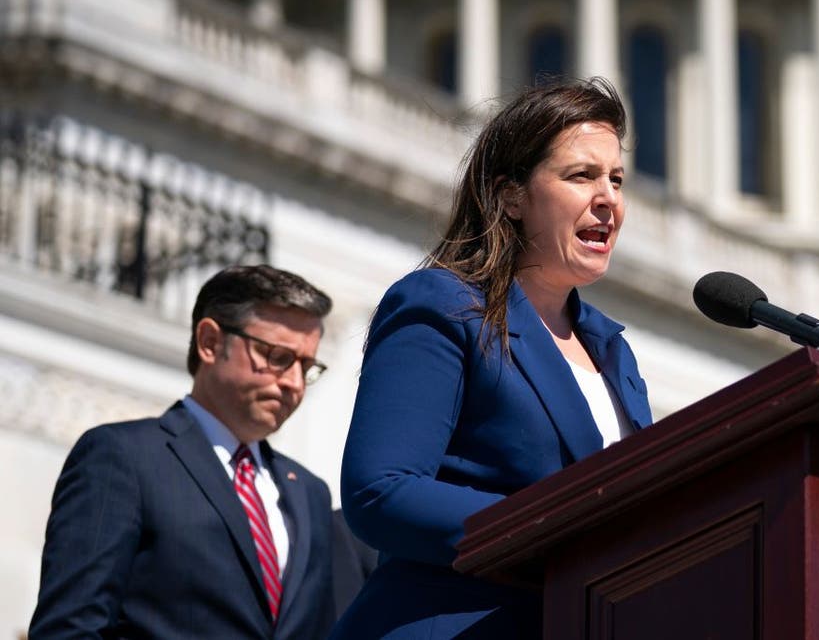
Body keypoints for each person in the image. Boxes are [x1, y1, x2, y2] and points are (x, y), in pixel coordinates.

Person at [333, 78, 654, 639]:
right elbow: (379, 491)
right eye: (582, 176)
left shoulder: (613, 351)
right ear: (511, 197)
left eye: (616, 179)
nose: (608, 198)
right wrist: (562, 527)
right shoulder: (444, 304)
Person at [29, 265, 337, 640]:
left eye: (306, 367)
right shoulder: (123, 458)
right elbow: (70, 628)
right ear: (210, 342)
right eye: (275, 356)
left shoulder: (310, 494)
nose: (292, 382)